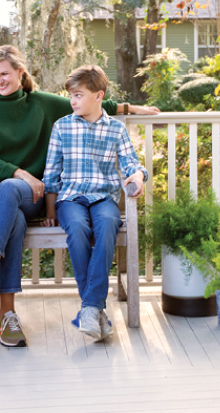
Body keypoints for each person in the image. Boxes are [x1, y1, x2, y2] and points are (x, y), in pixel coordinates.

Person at [0, 45, 159, 348]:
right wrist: (21, 173)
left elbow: (93, 97)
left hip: (29, 191)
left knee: (11, 197)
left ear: (20, 72)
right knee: (10, 214)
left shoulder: (42, 104)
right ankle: (5, 312)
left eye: (4, 73)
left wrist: (131, 109)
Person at [43, 65, 146, 341]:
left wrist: (138, 176)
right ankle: (95, 309)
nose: (72, 101)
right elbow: (51, 174)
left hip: (103, 197)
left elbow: (131, 164)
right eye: (71, 96)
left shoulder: (115, 129)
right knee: (77, 229)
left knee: (110, 222)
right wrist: (50, 209)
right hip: (71, 199)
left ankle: (89, 308)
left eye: (78, 95)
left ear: (98, 96)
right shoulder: (62, 126)